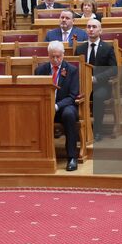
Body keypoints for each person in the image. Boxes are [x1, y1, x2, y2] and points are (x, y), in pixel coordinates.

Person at [35, 42, 81, 170]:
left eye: (58, 56)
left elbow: (72, 96)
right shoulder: (40, 70)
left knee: (69, 115)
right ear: (48, 55)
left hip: (63, 107)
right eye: (52, 57)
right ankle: (36, 155)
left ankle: (72, 157)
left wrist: (56, 106)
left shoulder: (72, 70)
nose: (55, 59)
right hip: (44, 107)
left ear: (63, 55)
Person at [81, 18, 118, 139]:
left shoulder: (107, 48)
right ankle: (80, 130)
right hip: (83, 86)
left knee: (97, 97)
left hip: (101, 85)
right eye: (88, 27)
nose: (91, 29)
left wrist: (96, 78)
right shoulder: (80, 49)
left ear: (100, 30)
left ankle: (96, 131)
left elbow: (114, 69)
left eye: (94, 27)